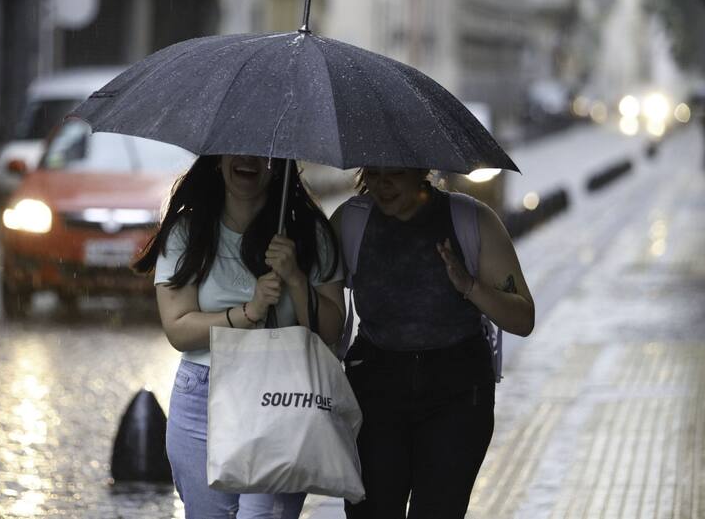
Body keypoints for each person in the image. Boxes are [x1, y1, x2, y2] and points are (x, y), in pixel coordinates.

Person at [133, 154, 345, 519]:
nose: (248, 158)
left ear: (277, 164)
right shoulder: (190, 231)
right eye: (238, 147)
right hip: (204, 394)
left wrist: (295, 279)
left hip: (283, 396)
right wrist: (248, 313)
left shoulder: (310, 233)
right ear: (218, 159)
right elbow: (179, 328)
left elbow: (331, 329)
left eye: (261, 151)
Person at [332, 168, 535, 519]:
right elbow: (321, 305)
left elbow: (523, 317)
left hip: (457, 393)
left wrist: (470, 286)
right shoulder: (351, 221)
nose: (382, 183)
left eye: (393, 172)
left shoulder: (471, 220)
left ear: (421, 169)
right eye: (374, 172)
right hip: (376, 390)